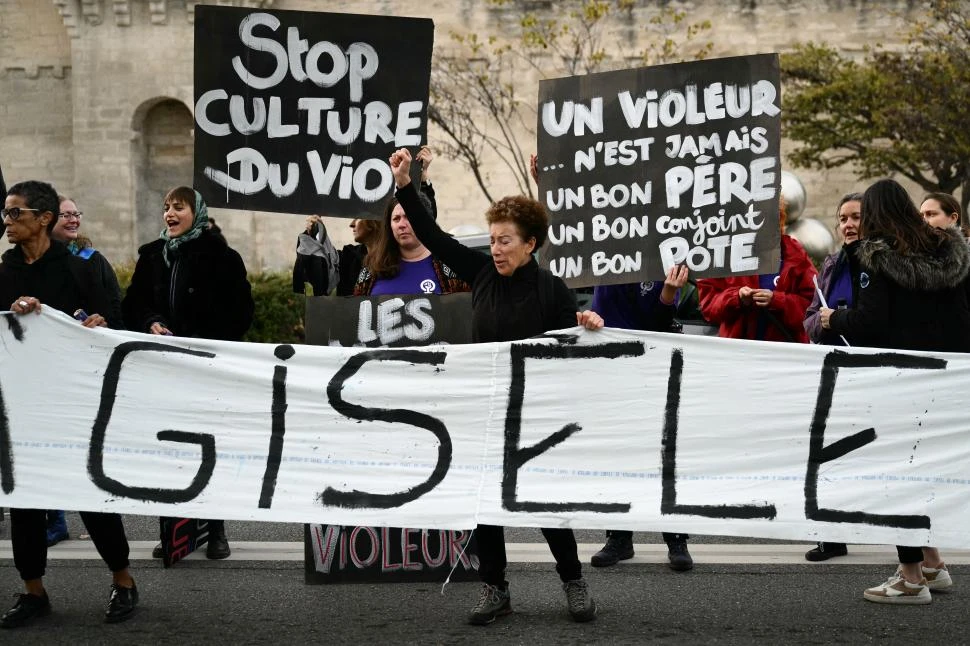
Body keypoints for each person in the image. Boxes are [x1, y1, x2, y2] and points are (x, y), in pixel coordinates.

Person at [388, 146, 604, 625]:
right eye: (493, 240)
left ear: (530, 244)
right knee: (487, 502)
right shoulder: (480, 273)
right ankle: (495, 588)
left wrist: (585, 321)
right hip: (487, 411)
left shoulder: (551, 289)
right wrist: (406, 184)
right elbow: (435, 237)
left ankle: (573, 582)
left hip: (538, 415)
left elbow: (569, 344)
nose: (497, 248)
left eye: (506, 240)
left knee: (546, 502)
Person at [821, 178, 968, 605]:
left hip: (901, 380)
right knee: (924, 471)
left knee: (897, 475)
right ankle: (933, 562)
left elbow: (870, 323)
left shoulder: (877, 258)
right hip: (949, 378)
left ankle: (910, 578)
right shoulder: (951, 253)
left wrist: (834, 320)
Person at [0, 180, 139, 627]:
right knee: (25, 500)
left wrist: (97, 323)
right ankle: (33, 591)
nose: (6, 222)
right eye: (5, 213)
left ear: (43, 219)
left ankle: (123, 581)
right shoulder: (5, 271)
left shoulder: (81, 267)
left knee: (90, 495)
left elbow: (113, 321)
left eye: (14, 213)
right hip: (22, 404)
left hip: (74, 403)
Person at [122, 186, 254, 561]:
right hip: (164, 373)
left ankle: (216, 529)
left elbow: (241, 313)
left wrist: (200, 338)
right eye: (165, 207)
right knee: (171, 450)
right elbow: (134, 304)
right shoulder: (152, 256)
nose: (169, 214)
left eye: (177, 207)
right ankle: (175, 531)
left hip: (207, 372)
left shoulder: (223, 257)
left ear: (195, 212)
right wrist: (151, 322)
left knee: (209, 449)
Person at [587, 272, 695, 571]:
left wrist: (669, 294)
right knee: (619, 453)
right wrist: (589, 320)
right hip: (616, 368)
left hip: (655, 366)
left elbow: (658, 327)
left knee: (665, 452)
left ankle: (676, 538)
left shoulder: (660, 259)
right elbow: (600, 315)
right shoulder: (603, 259)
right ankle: (619, 537)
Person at [801, 192, 863, 562]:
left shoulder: (884, 264)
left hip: (874, 370)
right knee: (831, 455)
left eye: (856, 217)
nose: (848, 224)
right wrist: (823, 324)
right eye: (843, 218)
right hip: (836, 370)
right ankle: (832, 535)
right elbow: (812, 314)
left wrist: (840, 319)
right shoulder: (832, 264)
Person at [294, 146, 438, 297]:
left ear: (375, 221)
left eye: (357, 218)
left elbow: (425, 221)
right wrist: (313, 235)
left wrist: (422, 177)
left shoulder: (400, 253)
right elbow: (320, 272)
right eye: (396, 218)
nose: (351, 224)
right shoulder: (349, 258)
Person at [697, 203, 818, 343]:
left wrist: (777, 301)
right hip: (739, 355)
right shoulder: (725, 253)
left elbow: (813, 308)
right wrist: (737, 298)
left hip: (786, 356)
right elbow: (708, 305)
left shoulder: (794, 254)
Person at [353, 190, 469, 296]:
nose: (401, 224)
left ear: (424, 220)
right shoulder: (372, 267)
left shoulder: (450, 265)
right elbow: (357, 311)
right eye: (396, 219)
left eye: (408, 217)